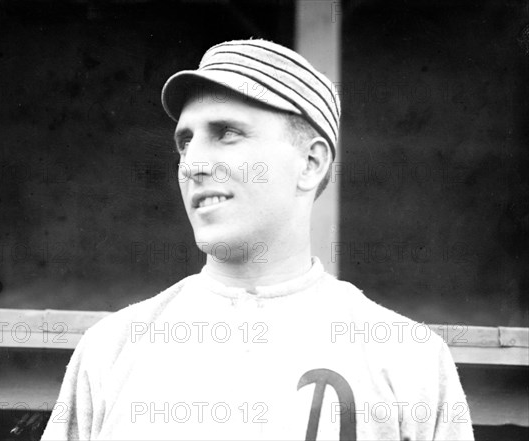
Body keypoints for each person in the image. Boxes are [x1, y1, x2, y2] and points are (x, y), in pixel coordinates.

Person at [41, 39, 474, 441]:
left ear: (310, 162)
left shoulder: (406, 358)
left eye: (227, 133)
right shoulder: (110, 349)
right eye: (184, 142)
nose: (192, 164)